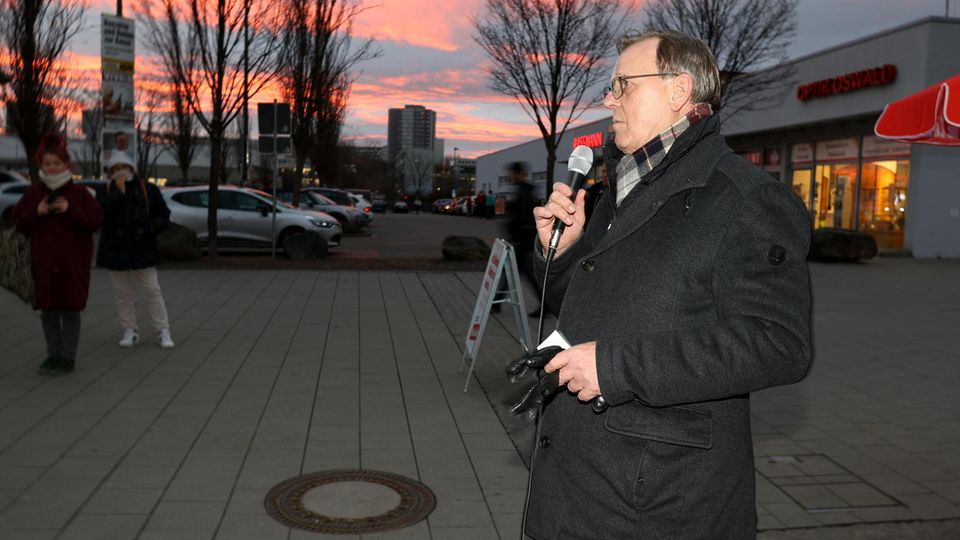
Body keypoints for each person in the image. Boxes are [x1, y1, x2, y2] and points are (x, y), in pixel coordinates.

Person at [526, 30, 812, 538]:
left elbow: (778, 344)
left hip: (659, 503)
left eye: (623, 85)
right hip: (580, 485)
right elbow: (591, 296)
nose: (608, 99)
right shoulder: (623, 188)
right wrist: (561, 252)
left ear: (678, 91)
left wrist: (614, 367)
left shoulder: (745, 200)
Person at [13, 134, 103, 375]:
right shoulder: (33, 194)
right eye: (47, 164)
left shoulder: (81, 194)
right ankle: (52, 355)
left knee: (71, 311)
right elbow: (19, 223)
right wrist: (37, 211)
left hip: (72, 265)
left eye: (57, 163)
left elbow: (94, 222)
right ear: (41, 165)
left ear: (66, 165)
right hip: (43, 263)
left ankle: (68, 356)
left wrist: (70, 209)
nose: (52, 168)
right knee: (49, 312)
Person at [97, 151, 175, 349]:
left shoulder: (147, 189)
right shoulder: (105, 191)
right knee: (122, 293)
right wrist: (119, 194)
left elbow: (163, 215)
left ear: (131, 168)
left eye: (123, 167)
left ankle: (163, 330)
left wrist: (151, 227)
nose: (119, 172)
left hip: (142, 248)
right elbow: (100, 215)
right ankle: (129, 330)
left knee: (152, 290)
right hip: (116, 249)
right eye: (114, 169)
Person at [503, 161, 542, 318]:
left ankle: (545, 304)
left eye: (512, 173)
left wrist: (513, 232)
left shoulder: (522, 192)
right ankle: (495, 300)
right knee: (515, 271)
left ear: (518, 174)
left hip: (522, 238)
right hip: (524, 237)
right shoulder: (524, 190)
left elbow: (520, 216)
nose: (510, 177)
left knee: (522, 272)